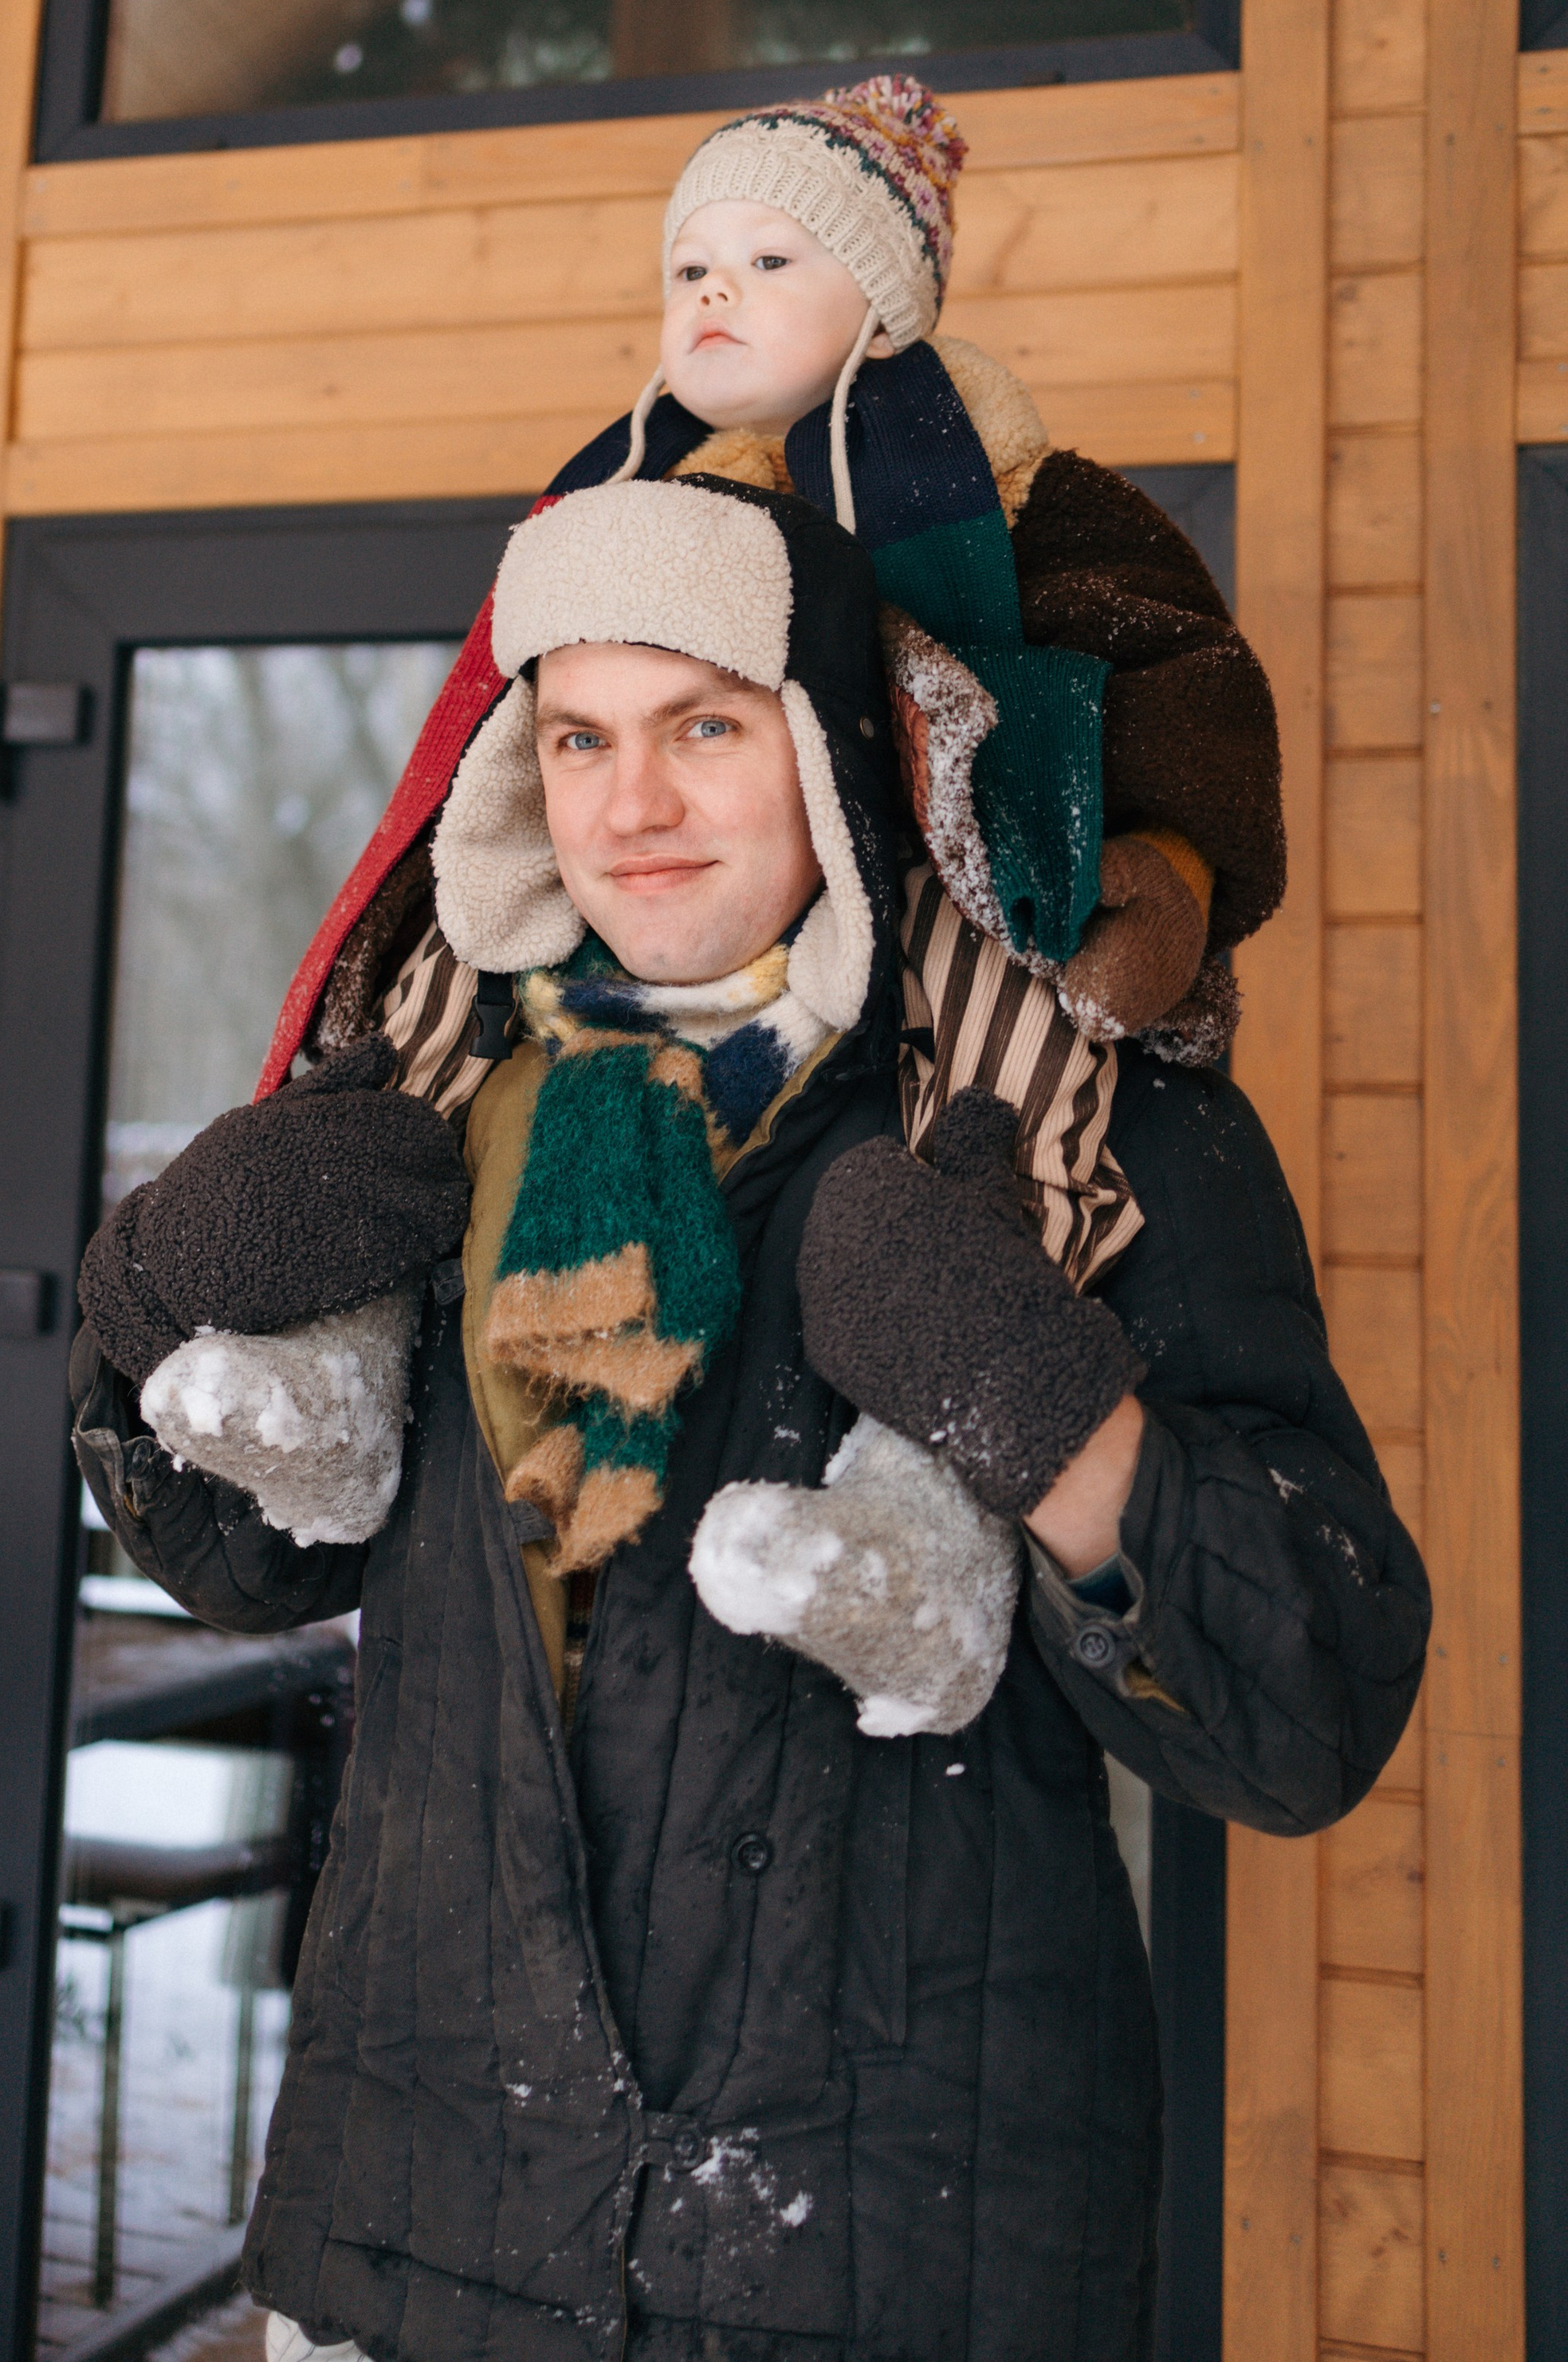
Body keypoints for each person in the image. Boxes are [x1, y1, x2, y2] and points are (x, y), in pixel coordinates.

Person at [73, 470, 1428, 2362]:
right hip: (414, 2225)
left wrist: (1045, 1417)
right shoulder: (436, 1087)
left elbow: (1308, 1706)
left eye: (702, 725)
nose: (630, 803)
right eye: (577, 737)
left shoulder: (1077, 1126)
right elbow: (233, 1556)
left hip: (891, 2256)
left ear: (828, 751)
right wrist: (143, 1304)